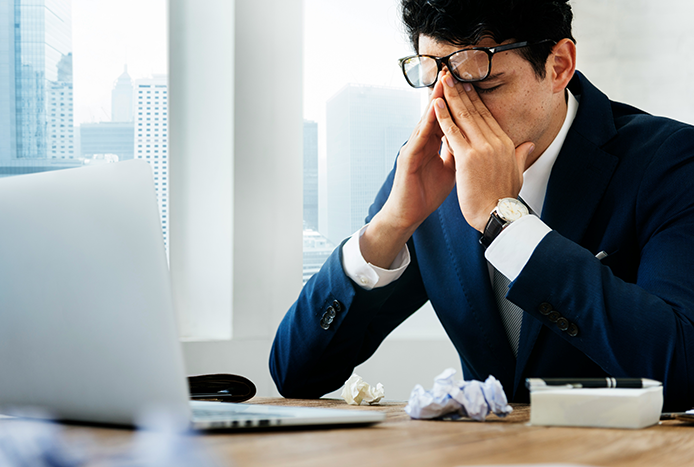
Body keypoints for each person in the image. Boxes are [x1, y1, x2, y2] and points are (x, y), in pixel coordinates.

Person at [270, 0, 694, 411]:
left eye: (486, 84)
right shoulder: (430, 170)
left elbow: (683, 370)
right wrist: (390, 224)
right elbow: (297, 375)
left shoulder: (671, 160)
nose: (452, 107)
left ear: (559, 66)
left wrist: (506, 221)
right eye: (435, 80)